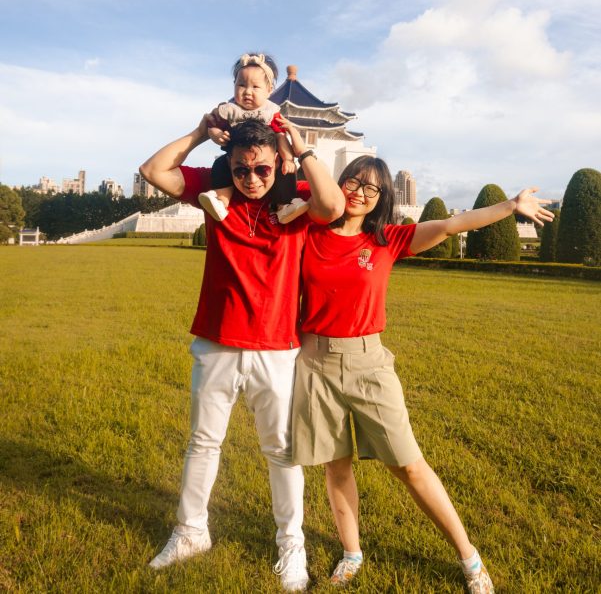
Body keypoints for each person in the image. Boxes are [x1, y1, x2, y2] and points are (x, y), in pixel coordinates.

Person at [292, 155, 554, 592]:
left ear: (382, 200)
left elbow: (453, 225)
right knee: (336, 468)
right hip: (313, 363)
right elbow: (290, 194)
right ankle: (351, 552)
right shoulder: (309, 231)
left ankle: (469, 558)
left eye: (371, 188)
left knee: (410, 466)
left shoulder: (389, 239)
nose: (358, 192)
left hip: (368, 364)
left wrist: (509, 206)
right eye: (352, 182)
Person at [140, 114, 344, 592]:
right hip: (216, 341)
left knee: (281, 452)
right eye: (240, 170)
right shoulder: (216, 196)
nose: (251, 179)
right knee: (203, 443)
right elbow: (153, 171)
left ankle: (291, 546)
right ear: (228, 167)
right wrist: (197, 133)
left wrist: (300, 147)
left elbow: (333, 205)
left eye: (261, 170)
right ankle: (191, 532)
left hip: (276, 348)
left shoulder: (296, 202)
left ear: (278, 164)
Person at [199, 52, 310, 224]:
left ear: (269, 90)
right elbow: (213, 127)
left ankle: (283, 206)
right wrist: (217, 135)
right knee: (220, 165)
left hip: (263, 157)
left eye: (255, 87)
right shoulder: (229, 110)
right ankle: (221, 202)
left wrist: (288, 158)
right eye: (241, 85)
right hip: (235, 158)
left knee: (286, 170)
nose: (247, 92)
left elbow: (280, 136)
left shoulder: (270, 112)